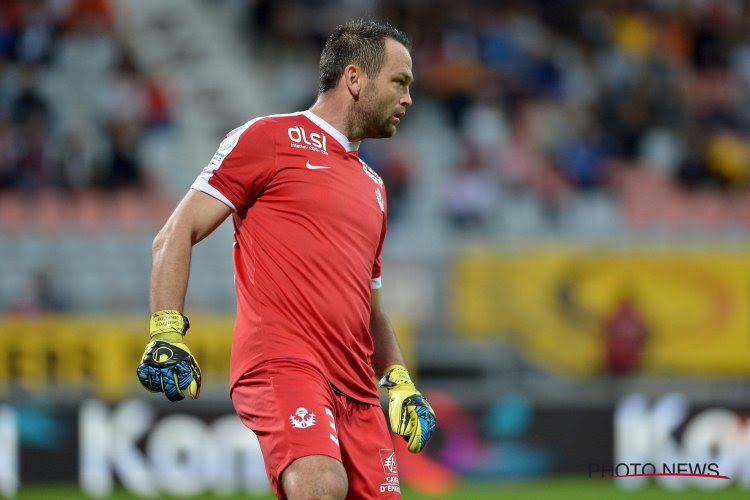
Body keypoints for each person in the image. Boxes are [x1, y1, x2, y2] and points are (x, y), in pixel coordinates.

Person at [136, 19, 436, 499]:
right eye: (399, 83)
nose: (408, 99)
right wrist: (166, 329)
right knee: (319, 484)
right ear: (355, 79)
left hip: (357, 391)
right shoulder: (269, 139)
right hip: (284, 362)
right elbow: (176, 232)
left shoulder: (375, 188)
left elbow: (370, 310)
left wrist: (399, 383)